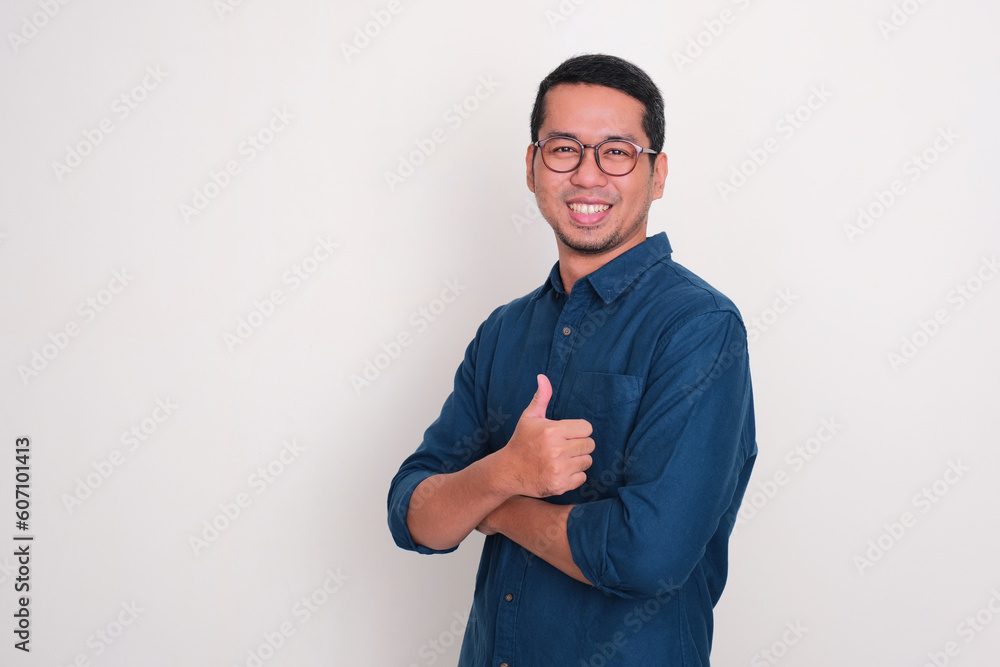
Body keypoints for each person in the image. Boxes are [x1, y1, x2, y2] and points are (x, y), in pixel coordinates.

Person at [388, 53, 757, 666]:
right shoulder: (503, 331)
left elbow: (647, 555)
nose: (588, 176)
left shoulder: (698, 328)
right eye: (564, 149)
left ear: (657, 174)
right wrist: (505, 472)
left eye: (616, 152)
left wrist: (494, 507)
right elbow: (414, 515)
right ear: (533, 167)